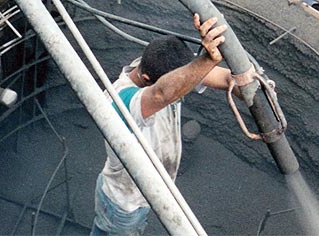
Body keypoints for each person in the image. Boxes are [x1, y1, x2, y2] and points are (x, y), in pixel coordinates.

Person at [91, 14, 253, 235]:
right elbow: (160, 94)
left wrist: (250, 86)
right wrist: (206, 60)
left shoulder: (159, 66)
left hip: (144, 195)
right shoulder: (122, 100)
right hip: (123, 204)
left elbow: (223, 79)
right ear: (147, 78)